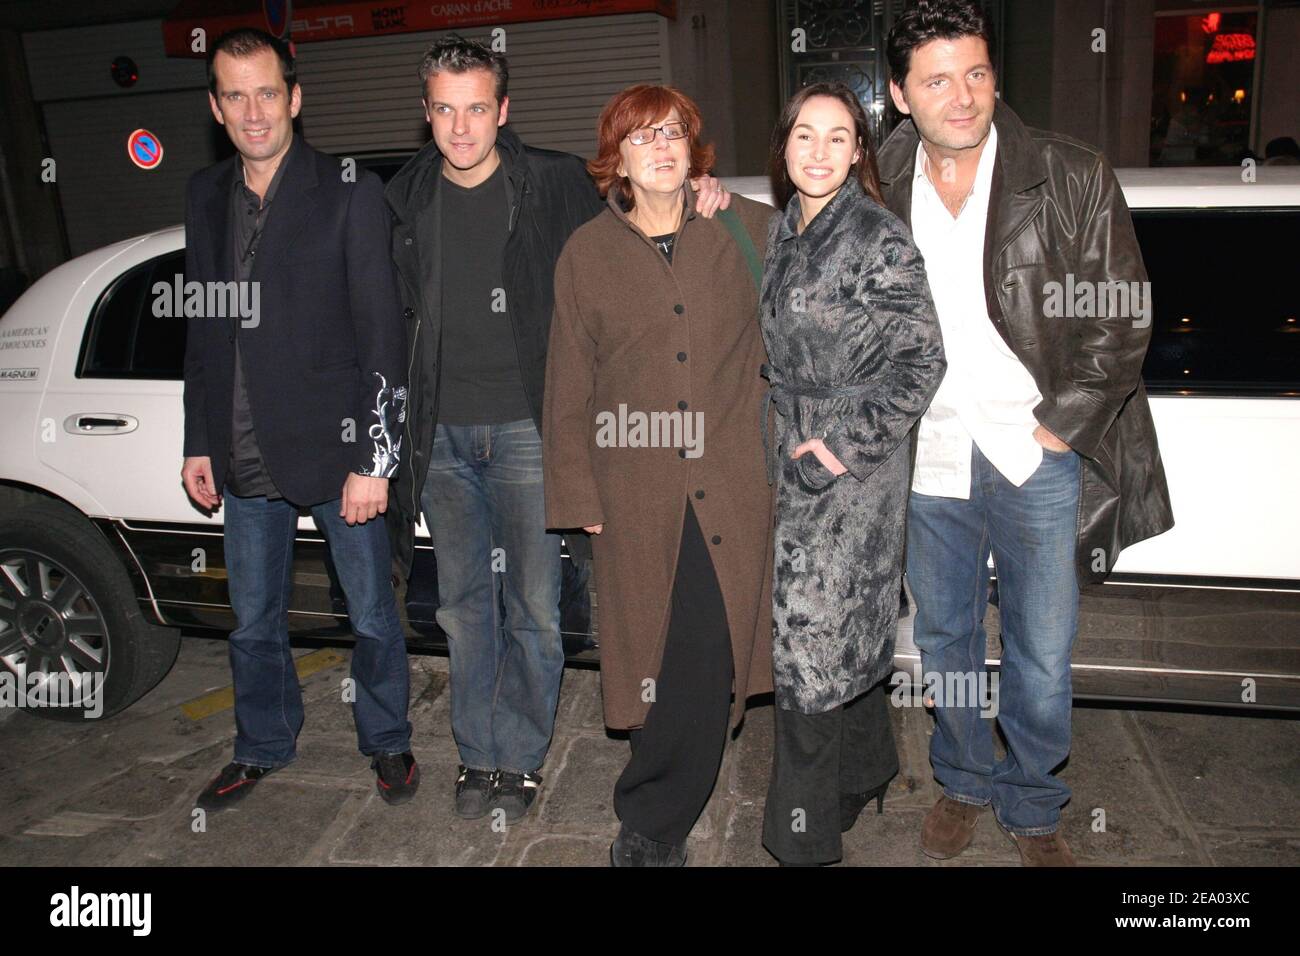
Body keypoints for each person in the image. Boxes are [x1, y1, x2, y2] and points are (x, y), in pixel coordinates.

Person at [383, 39, 730, 823]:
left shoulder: (554, 182)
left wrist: (704, 190)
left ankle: (523, 755)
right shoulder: (403, 198)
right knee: (464, 608)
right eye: (445, 108)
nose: (461, 125)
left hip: (529, 432)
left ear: (503, 110)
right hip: (438, 439)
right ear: (427, 113)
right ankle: (479, 754)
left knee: (535, 609)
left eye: (477, 107)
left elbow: (639, 230)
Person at [879, 0, 1173, 865]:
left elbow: (1121, 317)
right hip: (929, 452)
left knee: (1042, 651)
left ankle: (1034, 800)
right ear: (900, 94)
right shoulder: (879, 178)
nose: (962, 96)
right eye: (936, 80)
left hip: (1034, 453)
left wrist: (1063, 424)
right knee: (945, 639)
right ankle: (965, 777)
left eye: (975, 72)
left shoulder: (1068, 173)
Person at [181, 28, 416, 811]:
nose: (254, 111)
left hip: (336, 448)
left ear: (296, 97)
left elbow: (383, 334)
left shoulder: (348, 193)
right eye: (235, 95)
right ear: (216, 107)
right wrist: (198, 441)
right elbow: (203, 328)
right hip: (242, 453)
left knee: (374, 615)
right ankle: (262, 744)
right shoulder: (205, 196)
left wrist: (374, 460)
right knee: (250, 622)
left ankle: (386, 741)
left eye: (268, 92)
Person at [542, 84, 775, 866]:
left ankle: (650, 822)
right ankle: (657, 792)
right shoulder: (586, 254)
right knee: (655, 652)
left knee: (709, 654)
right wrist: (578, 495)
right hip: (634, 491)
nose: (663, 148)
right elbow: (567, 384)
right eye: (643, 138)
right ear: (618, 160)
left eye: (673, 133)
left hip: (732, 484)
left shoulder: (744, 227)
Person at [758, 82, 946, 866]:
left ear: (861, 149)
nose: (821, 151)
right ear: (785, 145)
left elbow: (922, 361)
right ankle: (866, 770)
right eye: (806, 135)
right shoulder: (786, 230)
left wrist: (839, 449)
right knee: (844, 635)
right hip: (792, 457)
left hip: (847, 478)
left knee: (806, 648)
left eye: (840, 137)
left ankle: (801, 841)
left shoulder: (877, 238)